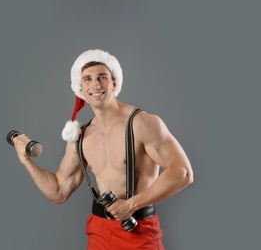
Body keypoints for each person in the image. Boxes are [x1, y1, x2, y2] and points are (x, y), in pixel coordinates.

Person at [12, 49, 194, 249]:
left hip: (138, 231)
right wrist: (26, 161)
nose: (96, 85)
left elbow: (182, 173)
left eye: (102, 77)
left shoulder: (142, 123)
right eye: (87, 79)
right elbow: (58, 191)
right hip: (99, 232)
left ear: (114, 83)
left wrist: (132, 205)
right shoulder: (79, 137)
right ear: (80, 88)